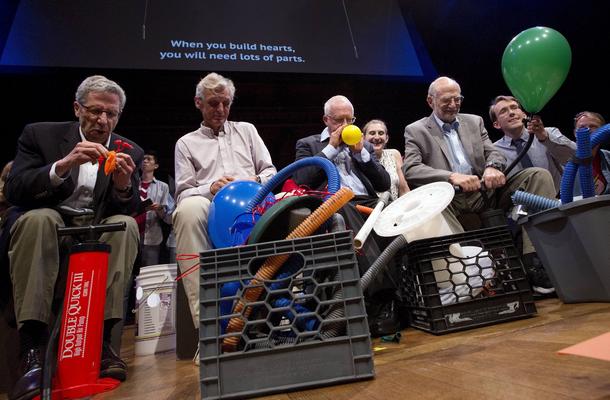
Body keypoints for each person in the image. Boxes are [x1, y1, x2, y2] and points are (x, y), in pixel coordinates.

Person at [4, 75, 143, 400]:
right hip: (47, 228)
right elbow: (15, 190)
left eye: (111, 114)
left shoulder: (128, 150)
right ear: (77, 108)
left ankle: (105, 342)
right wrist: (62, 166)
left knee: (125, 224)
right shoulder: (40, 135)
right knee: (40, 218)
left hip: (92, 233)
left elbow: (132, 205)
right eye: (95, 111)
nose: (102, 120)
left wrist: (123, 185)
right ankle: (32, 347)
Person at [403, 76, 557, 296]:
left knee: (538, 176)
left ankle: (534, 262)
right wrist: (451, 176)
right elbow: (411, 168)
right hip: (449, 198)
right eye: (447, 100)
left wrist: (493, 166)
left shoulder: (474, 121)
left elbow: (492, 152)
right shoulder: (416, 130)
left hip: (484, 193)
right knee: (431, 208)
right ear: (430, 101)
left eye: (458, 99)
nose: (454, 105)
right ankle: (466, 274)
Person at [173, 72, 277, 330]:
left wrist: (250, 183)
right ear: (198, 103)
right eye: (213, 103)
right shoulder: (186, 143)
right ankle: (207, 327)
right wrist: (211, 188)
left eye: (226, 103)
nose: (220, 109)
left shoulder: (247, 131)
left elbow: (271, 173)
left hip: (254, 203)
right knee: (188, 210)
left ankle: (284, 312)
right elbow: (183, 193)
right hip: (212, 208)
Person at [292, 95, 396, 335]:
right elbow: (301, 179)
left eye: (351, 119)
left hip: (367, 201)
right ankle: (378, 299)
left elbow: (383, 182)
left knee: (395, 215)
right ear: (326, 120)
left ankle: (393, 300)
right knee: (344, 207)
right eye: (340, 120)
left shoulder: (363, 145)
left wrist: (361, 154)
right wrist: (331, 149)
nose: (346, 124)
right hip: (333, 204)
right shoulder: (308, 144)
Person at [489, 95, 576, 193]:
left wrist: (545, 137)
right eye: (503, 111)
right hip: (518, 205)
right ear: (497, 124)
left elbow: (575, 158)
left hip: (557, 201)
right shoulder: (493, 151)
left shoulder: (549, 133)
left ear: (524, 115)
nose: (511, 113)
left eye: (514, 107)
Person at [135, 150, 174, 267]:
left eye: (149, 159)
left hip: (152, 236)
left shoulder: (163, 187)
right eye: (143, 159)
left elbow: (167, 218)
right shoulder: (133, 183)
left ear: (156, 166)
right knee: (129, 272)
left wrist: (160, 209)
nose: (145, 161)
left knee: (149, 271)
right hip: (134, 234)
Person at [363, 119, 410, 201]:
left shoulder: (394, 154)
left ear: (387, 138)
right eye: (372, 133)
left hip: (395, 209)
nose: (377, 137)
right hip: (370, 210)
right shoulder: (359, 158)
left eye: (381, 133)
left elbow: (404, 190)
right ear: (363, 138)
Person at [573, 111, 609, 195]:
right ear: (575, 133)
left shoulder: (608, 157)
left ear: (603, 131)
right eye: (582, 127)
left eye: (593, 126)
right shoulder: (565, 159)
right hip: (575, 207)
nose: (587, 130)